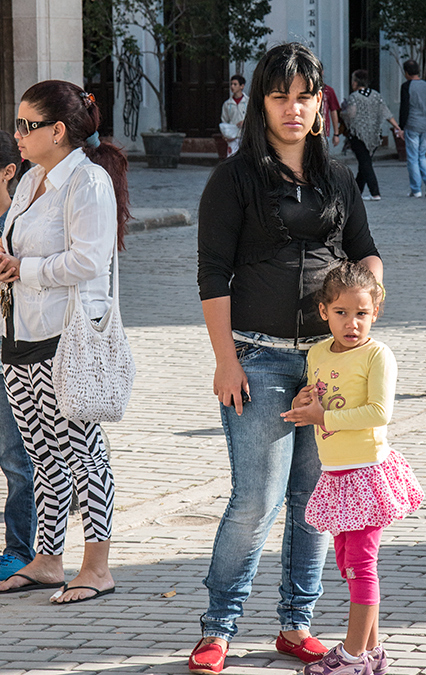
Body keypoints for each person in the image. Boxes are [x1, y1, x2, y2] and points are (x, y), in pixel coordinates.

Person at [190, 42, 383, 674]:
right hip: (260, 358)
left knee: (315, 500)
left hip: (329, 366)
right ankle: (218, 626)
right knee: (257, 497)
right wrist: (226, 360)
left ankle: (296, 624)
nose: (293, 108)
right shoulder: (233, 179)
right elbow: (213, 276)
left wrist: (364, 310)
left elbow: (365, 252)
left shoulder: (337, 178)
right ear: (261, 104)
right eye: (280, 96)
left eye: (304, 96)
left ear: (318, 103)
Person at [0, 80, 129, 603]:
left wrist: (25, 268)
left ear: (57, 130)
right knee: (42, 454)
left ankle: (97, 565)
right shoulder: (30, 182)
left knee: (83, 453)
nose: (16, 134)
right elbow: (10, 249)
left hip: (68, 337)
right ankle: (48, 559)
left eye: (26, 125)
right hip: (19, 333)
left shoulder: (87, 183)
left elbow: (90, 260)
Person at [281, 261, 423, 675]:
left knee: (361, 566)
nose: (352, 323)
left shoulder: (378, 354)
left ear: (375, 312)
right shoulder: (318, 352)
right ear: (324, 311)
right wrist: (305, 403)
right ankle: (373, 654)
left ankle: (352, 656)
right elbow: (320, 395)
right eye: (342, 312)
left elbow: (379, 411)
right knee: (346, 561)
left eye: (362, 313)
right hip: (336, 473)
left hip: (366, 474)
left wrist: (323, 418)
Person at [0, 130, 37, 583]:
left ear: (7, 171)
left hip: (3, 355)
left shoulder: (22, 224)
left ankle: (20, 549)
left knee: (15, 456)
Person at [340, 70, 402, 201]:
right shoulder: (376, 95)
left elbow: (350, 114)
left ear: (355, 82)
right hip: (374, 135)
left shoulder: (354, 97)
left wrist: (342, 114)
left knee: (365, 164)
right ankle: (356, 192)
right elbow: (386, 113)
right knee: (365, 164)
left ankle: (375, 193)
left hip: (358, 135)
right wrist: (397, 126)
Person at [399, 59, 426, 198]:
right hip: (424, 124)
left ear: (407, 73)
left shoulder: (406, 86)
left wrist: (401, 127)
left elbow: (404, 108)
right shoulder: (425, 85)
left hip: (412, 124)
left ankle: (416, 189)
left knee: (413, 158)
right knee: (423, 156)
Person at [220, 75, 249, 157]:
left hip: (246, 136)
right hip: (232, 137)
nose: (232, 86)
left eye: (235, 84)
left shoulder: (248, 102)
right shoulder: (227, 104)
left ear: (242, 86)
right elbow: (224, 121)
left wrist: (245, 122)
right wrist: (225, 135)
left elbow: (255, 119)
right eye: (231, 84)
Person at [321, 67, 340, 147]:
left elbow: (333, 111)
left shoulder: (328, 91)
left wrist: (336, 134)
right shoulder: (307, 90)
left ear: (322, 72)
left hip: (324, 132)